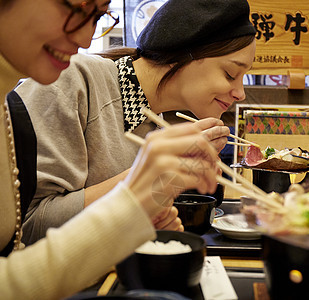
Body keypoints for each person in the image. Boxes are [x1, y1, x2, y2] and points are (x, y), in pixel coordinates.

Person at [0, 0, 223, 298]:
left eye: (99, 16)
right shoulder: (72, 78)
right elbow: (31, 230)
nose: (86, 38)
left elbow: (10, 252)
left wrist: (140, 213)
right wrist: (133, 198)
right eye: (77, 8)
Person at [15, 0, 257, 244]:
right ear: (184, 50)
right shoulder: (73, 80)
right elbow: (29, 226)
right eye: (230, 74)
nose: (240, 93)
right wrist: (151, 176)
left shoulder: (154, 121)